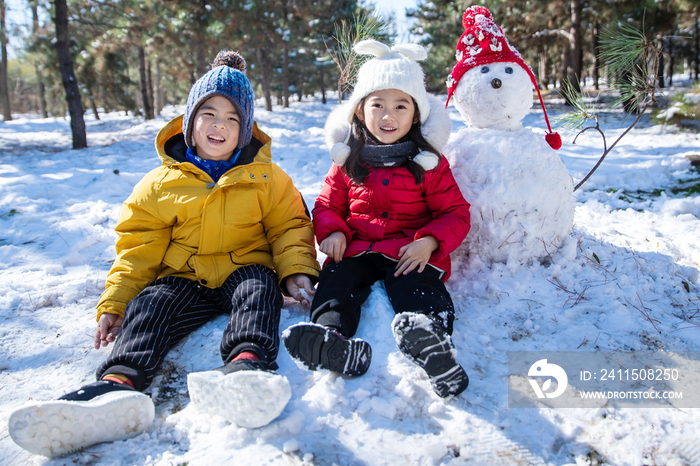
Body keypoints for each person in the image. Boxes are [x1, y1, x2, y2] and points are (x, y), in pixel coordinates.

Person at [8, 50, 319, 458]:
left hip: (244, 267)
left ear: (245, 130)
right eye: (209, 113)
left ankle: (246, 366)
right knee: (151, 303)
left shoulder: (268, 179)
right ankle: (117, 386)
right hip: (184, 279)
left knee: (259, 287)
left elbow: (290, 227)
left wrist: (296, 270)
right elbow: (139, 245)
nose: (219, 125)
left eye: (232, 118)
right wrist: (117, 299)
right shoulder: (160, 183)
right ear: (190, 122)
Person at [283, 40, 471, 398]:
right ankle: (332, 340)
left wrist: (429, 242)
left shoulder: (427, 162)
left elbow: (455, 212)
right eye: (378, 105)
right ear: (359, 112)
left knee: (418, 286)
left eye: (401, 106)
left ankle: (432, 341)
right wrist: (333, 231)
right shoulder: (347, 160)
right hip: (356, 249)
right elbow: (326, 205)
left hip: (407, 249)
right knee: (336, 282)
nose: (389, 115)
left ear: (415, 115)